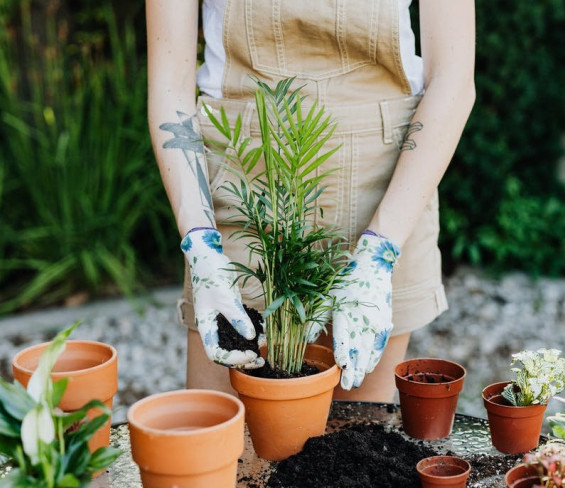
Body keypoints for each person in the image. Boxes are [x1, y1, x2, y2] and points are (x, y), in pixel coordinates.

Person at [146, 0, 475, 402]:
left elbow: (454, 79)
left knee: (358, 447)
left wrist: (380, 250)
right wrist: (199, 241)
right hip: (242, 180)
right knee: (221, 443)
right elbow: (169, 86)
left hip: (386, 189)